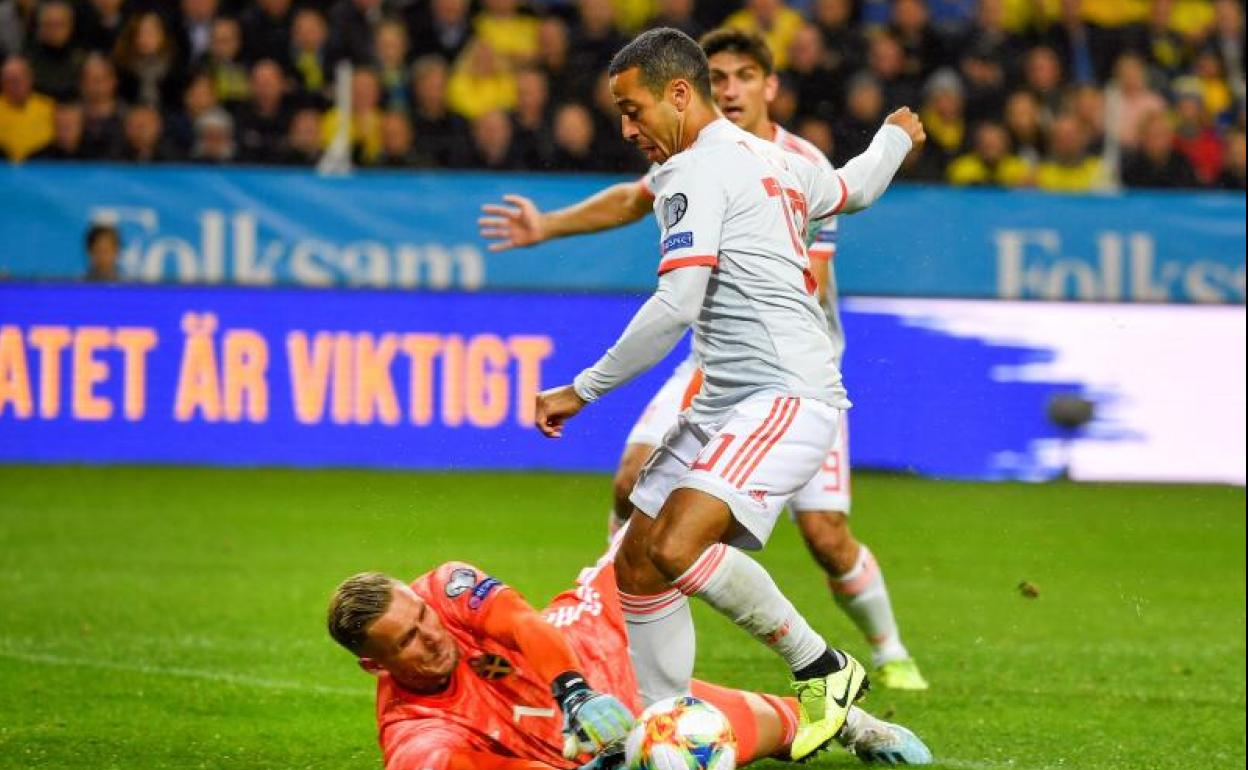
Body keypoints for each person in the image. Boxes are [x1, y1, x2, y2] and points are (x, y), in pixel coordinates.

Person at [479, 28, 929, 694]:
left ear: (681, 95)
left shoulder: (697, 169)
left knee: (677, 547)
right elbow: (850, 188)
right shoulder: (768, 159)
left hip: (782, 395)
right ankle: (666, 720)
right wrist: (893, 139)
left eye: (634, 111)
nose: (628, 129)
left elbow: (675, 304)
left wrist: (583, 389)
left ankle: (825, 668)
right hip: (725, 398)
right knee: (637, 560)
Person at [325, 548, 932, 769]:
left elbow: (521, 622)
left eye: (422, 618)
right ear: (375, 667)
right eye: (405, 641)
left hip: (596, 650)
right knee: (720, 738)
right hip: (594, 743)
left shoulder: (448, 587)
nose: (430, 635)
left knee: (661, 540)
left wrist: (573, 691)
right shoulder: (414, 739)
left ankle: (842, 706)